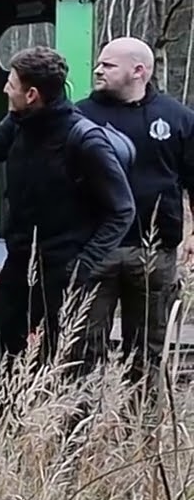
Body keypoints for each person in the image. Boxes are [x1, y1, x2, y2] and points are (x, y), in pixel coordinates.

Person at [0, 45, 135, 398]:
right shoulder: (18, 123)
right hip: (19, 264)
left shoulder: (85, 140)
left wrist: (81, 267)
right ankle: (6, 439)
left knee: (64, 370)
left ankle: (61, 446)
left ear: (31, 95)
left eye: (11, 83)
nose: (5, 89)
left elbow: (122, 210)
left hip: (64, 273)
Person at [76, 37, 194, 407]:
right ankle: (75, 440)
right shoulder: (79, 117)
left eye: (108, 65)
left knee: (146, 353)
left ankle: (140, 438)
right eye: (99, 63)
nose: (98, 69)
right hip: (95, 250)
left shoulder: (178, 118)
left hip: (153, 253)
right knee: (82, 352)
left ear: (138, 71)